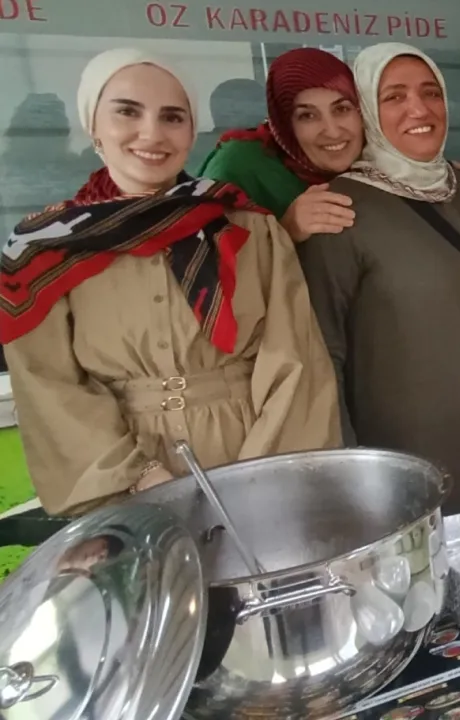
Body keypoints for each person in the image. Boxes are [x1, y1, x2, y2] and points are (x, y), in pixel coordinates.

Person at [0, 49, 340, 516]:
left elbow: (296, 364)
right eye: (127, 112)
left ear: (191, 131)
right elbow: (47, 387)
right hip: (122, 481)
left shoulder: (246, 228)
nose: (152, 133)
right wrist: (139, 479)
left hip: (258, 466)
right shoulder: (46, 251)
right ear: (93, 127)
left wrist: (255, 486)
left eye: (172, 117)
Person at [297, 43, 460, 522]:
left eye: (431, 93)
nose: (419, 109)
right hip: (409, 449)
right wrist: (346, 469)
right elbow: (323, 353)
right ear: (367, 110)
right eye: (394, 97)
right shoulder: (338, 210)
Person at [201, 48, 460, 243]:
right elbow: (204, 269)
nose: (332, 131)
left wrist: (444, 172)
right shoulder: (240, 164)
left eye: (342, 109)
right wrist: (285, 230)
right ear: (284, 124)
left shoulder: (366, 159)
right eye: (307, 116)